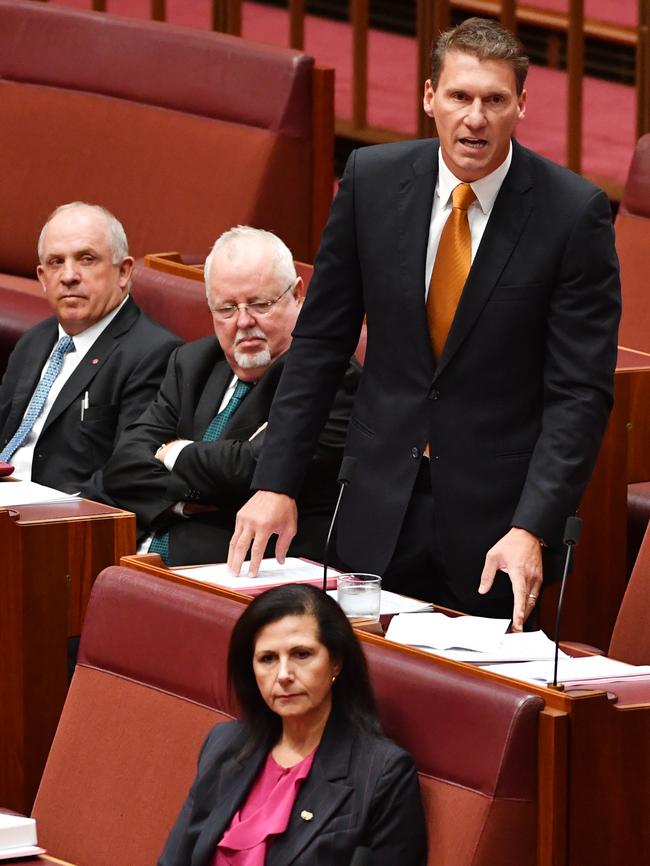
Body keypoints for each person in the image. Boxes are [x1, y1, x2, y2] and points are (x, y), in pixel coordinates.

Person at [227, 18, 621, 631]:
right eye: (461, 96)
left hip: (496, 530)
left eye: (494, 99)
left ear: (521, 104)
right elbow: (321, 344)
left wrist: (532, 526)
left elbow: (580, 394)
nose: (476, 118)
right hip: (373, 503)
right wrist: (275, 480)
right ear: (429, 96)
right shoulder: (371, 182)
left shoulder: (573, 215)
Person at [103, 226, 359, 566]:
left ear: (298, 294)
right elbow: (124, 463)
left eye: (259, 304)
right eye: (226, 309)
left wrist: (172, 450)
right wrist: (189, 501)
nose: (242, 321)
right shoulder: (192, 362)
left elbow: (252, 468)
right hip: (142, 551)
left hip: (236, 570)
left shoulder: (332, 379)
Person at [158, 583, 427, 865]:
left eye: (301, 654)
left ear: (336, 661)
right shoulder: (225, 744)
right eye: (268, 659)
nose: (283, 674)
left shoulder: (382, 774)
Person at [0, 202, 181, 499]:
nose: (69, 275)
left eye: (86, 259)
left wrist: (48, 510)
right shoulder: (33, 341)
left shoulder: (155, 354)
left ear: (123, 272)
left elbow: (128, 476)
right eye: (56, 262)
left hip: (63, 521)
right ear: (43, 279)